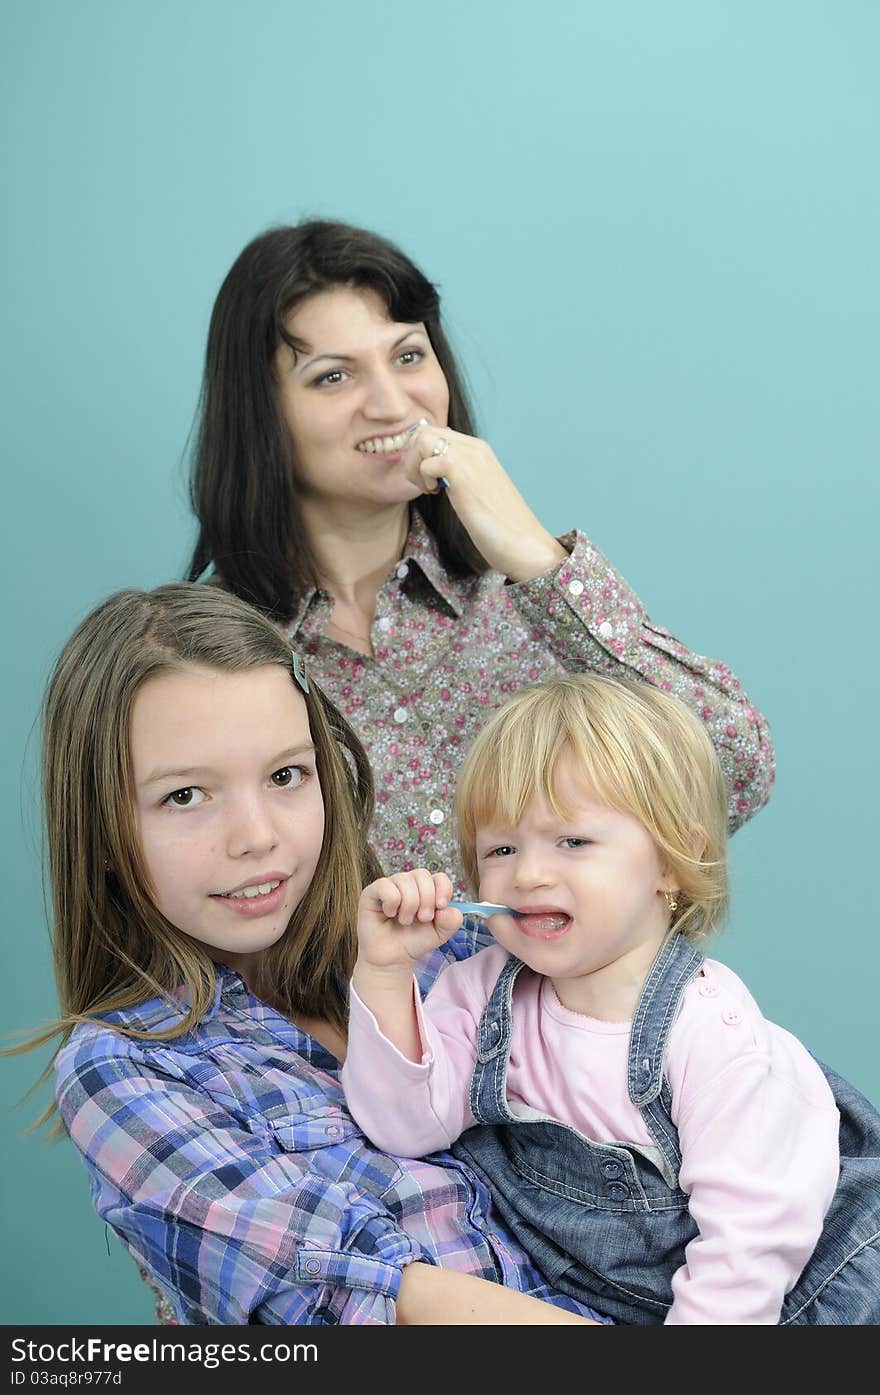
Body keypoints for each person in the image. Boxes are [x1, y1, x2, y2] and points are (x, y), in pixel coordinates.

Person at [31, 582, 608, 1326]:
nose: (255, 834)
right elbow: (372, 1293)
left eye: (284, 776)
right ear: (102, 829)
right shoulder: (126, 1065)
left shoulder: (452, 952)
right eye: (185, 796)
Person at [187, 219, 774, 894]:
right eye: (333, 376)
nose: (391, 403)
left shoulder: (532, 602)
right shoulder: (214, 656)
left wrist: (542, 564)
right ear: (260, 411)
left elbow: (736, 770)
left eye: (408, 356)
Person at [342, 674, 880, 1325]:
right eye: (502, 848)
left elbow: (749, 1246)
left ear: (671, 864)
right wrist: (384, 969)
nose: (530, 872)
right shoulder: (478, 993)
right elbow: (404, 1123)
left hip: (814, 1295)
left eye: (573, 841)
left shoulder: (710, 1031)